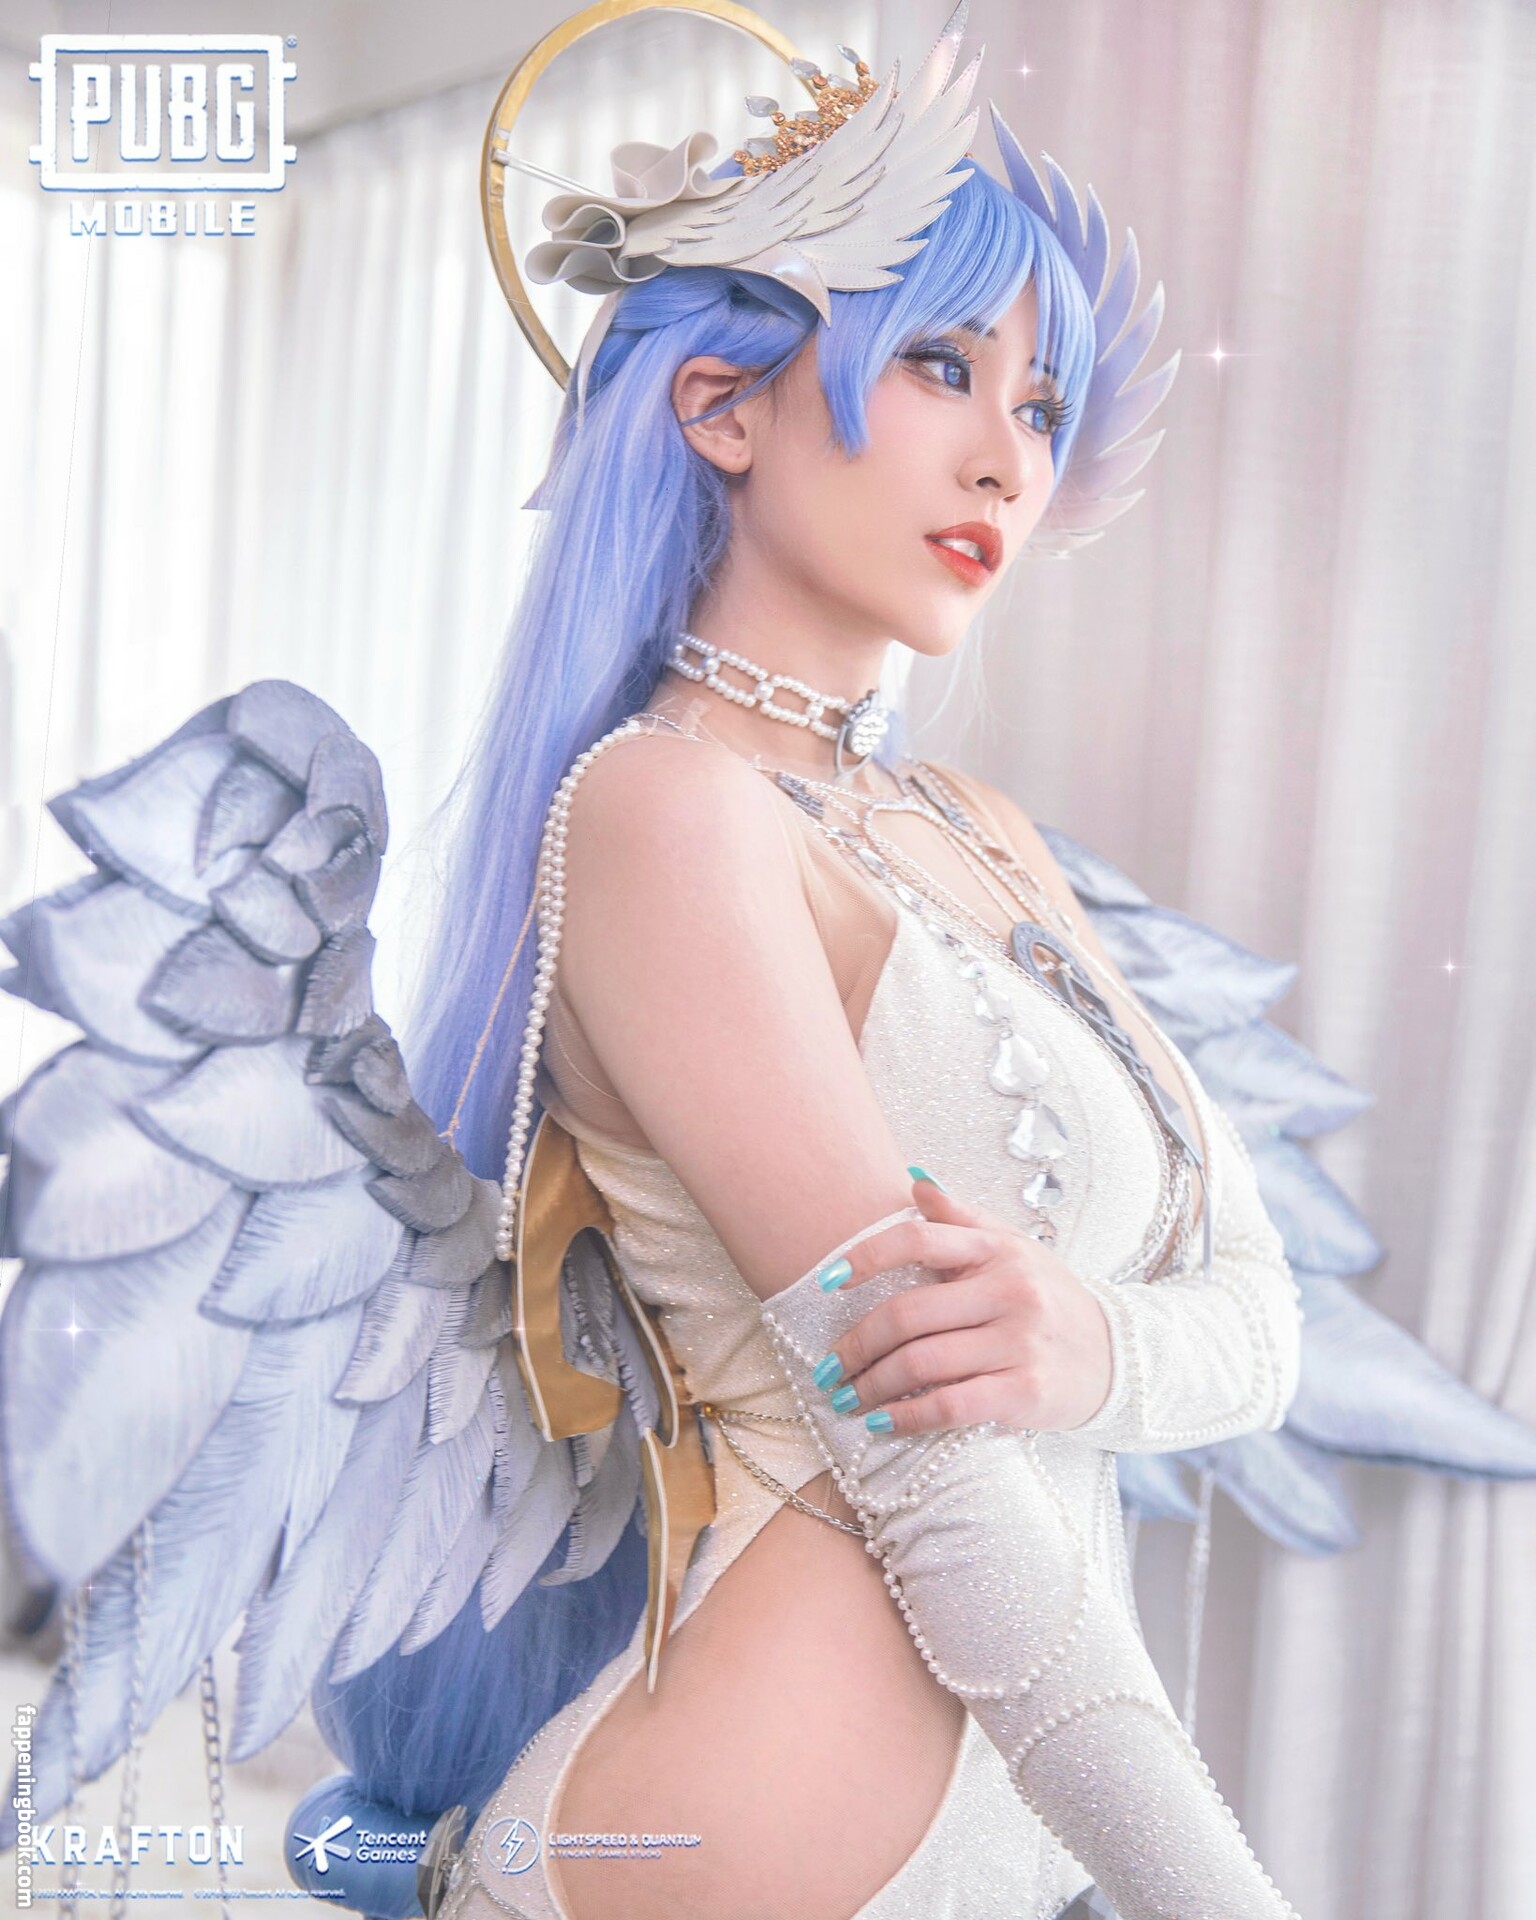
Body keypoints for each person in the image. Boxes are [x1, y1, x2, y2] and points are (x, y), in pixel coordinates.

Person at [422, 7, 1302, 1916]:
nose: (1007, 460)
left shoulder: (980, 832)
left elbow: (1261, 1316)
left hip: (1003, 1844)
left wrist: (1090, 1345)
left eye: (1042, 407)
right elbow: (926, 1473)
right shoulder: (661, 811)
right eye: (940, 365)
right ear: (719, 407)